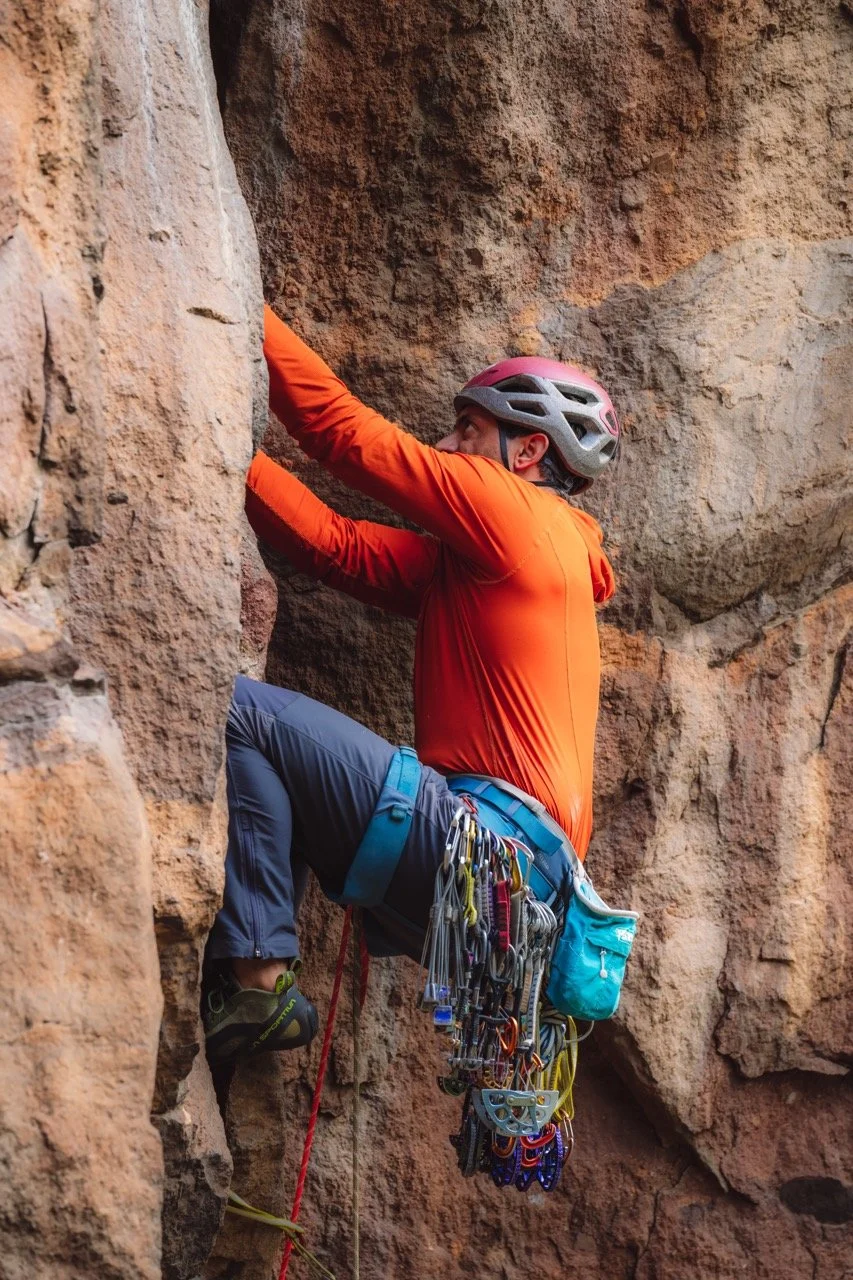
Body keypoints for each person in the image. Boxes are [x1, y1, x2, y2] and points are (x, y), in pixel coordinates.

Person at [203, 304, 619, 1063]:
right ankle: (255, 982)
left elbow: (338, 430)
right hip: (502, 898)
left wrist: (239, 303)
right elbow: (334, 547)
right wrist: (219, 448)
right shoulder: (502, 563)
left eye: (467, 429)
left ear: (528, 451)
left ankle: (259, 975)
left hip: (479, 847)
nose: (446, 446)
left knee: (234, 710)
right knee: (282, 757)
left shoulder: (520, 518)